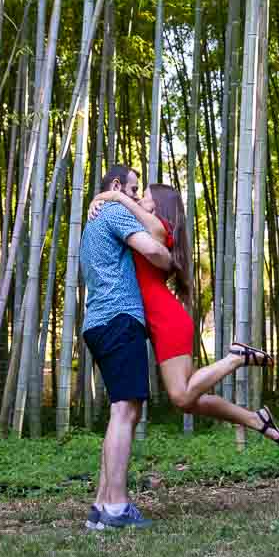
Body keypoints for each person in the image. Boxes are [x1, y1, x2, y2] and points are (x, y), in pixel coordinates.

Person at [89, 182, 279, 449]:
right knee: (191, 401)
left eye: (145, 197)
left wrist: (113, 196)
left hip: (166, 320)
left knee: (181, 397)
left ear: (159, 205)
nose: (139, 199)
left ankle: (236, 358)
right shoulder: (141, 226)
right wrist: (100, 201)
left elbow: (150, 228)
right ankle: (256, 420)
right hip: (162, 322)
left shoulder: (158, 228)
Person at [79, 164, 170, 530]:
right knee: (125, 413)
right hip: (119, 320)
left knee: (121, 413)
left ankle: (102, 506)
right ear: (116, 186)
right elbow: (156, 251)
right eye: (133, 189)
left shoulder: (92, 223)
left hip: (98, 323)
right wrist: (168, 258)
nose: (137, 197)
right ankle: (116, 507)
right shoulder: (115, 212)